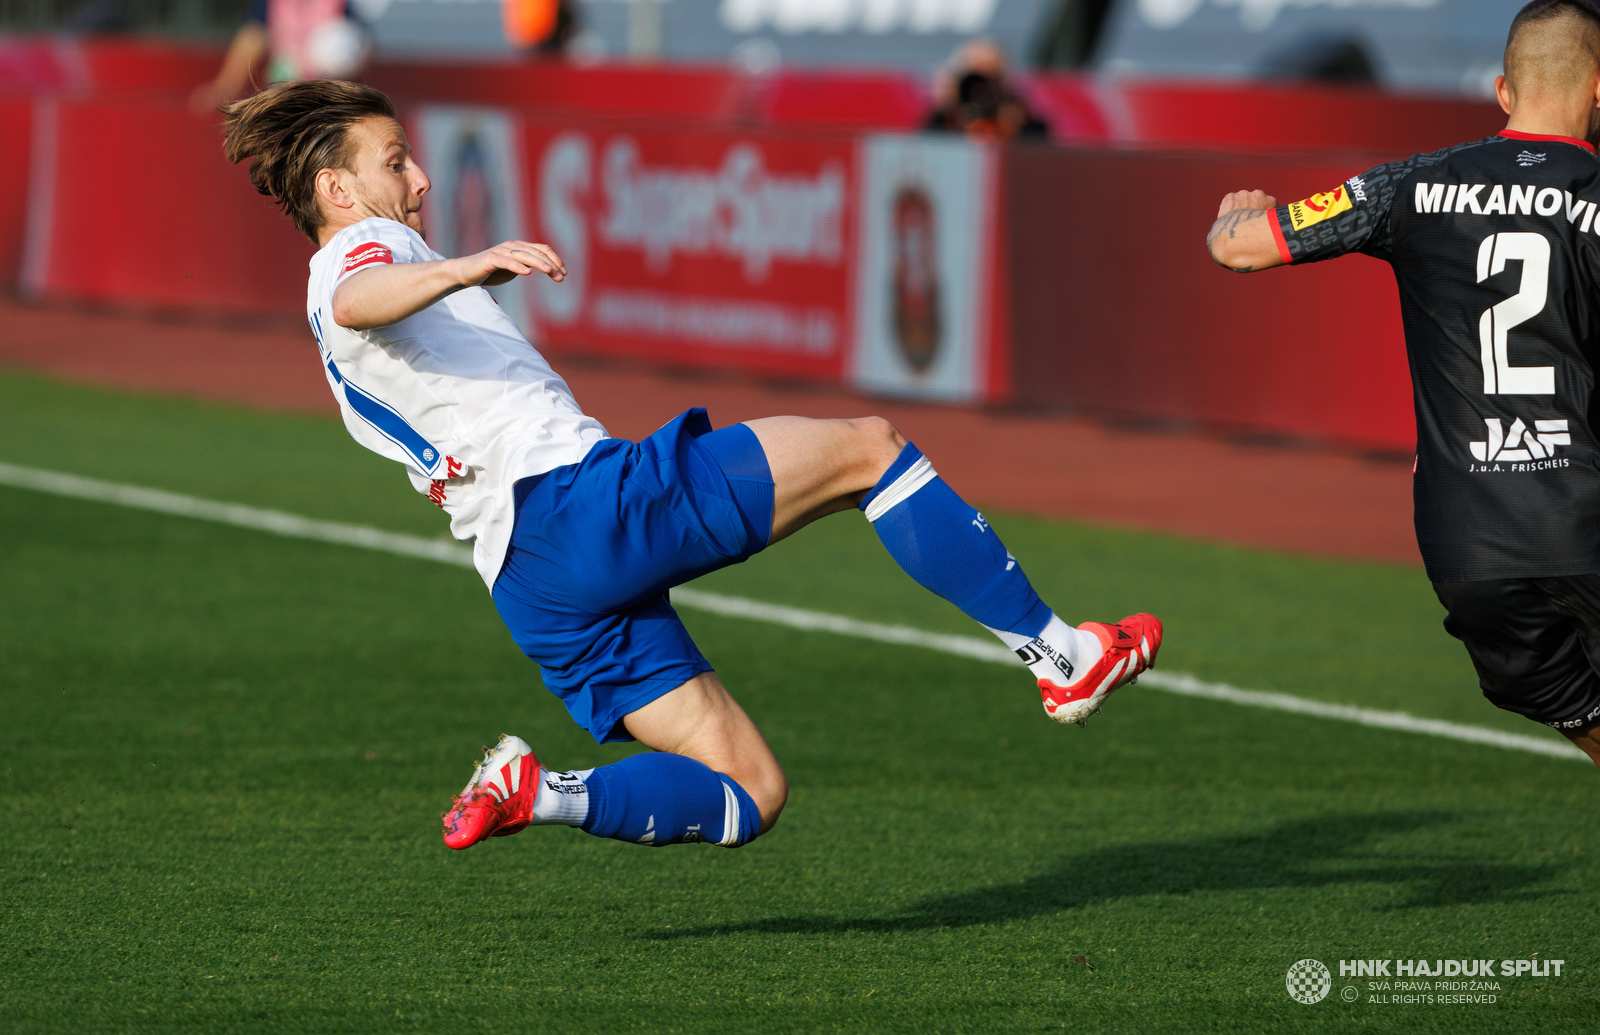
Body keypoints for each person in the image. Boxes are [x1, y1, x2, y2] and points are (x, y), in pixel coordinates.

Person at [220, 79, 1161, 852]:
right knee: (872, 449)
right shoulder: (361, 249)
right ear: (339, 192)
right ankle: (1065, 655)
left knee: (749, 791)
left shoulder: (358, 271)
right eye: (394, 163)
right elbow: (361, 295)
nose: (419, 179)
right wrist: (469, 266)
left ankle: (539, 792)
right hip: (583, 505)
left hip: (531, 585)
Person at [1205, 0, 1600, 770]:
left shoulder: (1412, 186)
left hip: (1469, 545)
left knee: (1584, 716)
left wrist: (1232, 217)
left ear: (1504, 93)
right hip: (1583, 512)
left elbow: (1243, 250)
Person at [191, 0, 364, 114]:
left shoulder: (340, 1)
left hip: (324, 97)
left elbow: (357, 49)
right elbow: (252, 37)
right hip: (282, 91)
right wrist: (226, 86)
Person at [924, 40, 1049, 141]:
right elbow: (928, 143)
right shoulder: (949, 116)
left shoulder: (1016, 115)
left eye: (990, 79)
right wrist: (947, 110)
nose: (981, 89)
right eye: (974, 80)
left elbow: (1039, 143)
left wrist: (1013, 127)